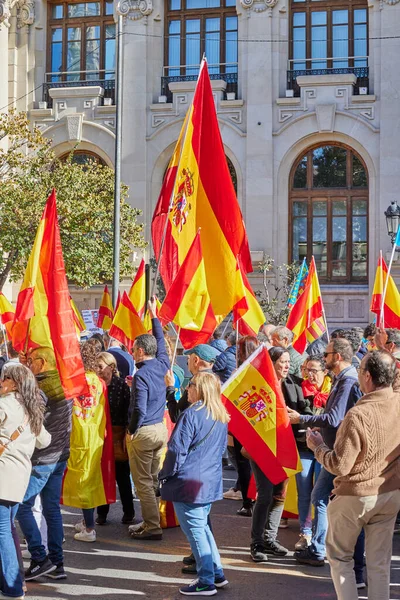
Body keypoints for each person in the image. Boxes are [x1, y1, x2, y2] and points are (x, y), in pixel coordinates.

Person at [307, 350, 400, 600]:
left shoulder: (358, 415)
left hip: (356, 496)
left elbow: (341, 465)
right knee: (380, 563)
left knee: (339, 557)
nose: (357, 375)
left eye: (360, 371)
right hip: (389, 493)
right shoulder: (397, 402)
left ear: (367, 376)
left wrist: (318, 447)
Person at [288, 338, 361, 567]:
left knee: (320, 497)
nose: (324, 358)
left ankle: (320, 549)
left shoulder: (348, 381)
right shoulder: (343, 379)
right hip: (335, 447)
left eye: (327, 354)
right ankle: (321, 547)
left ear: (337, 357)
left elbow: (334, 418)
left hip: (338, 450)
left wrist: (302, 418)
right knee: (321, 497)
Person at [159, 372, 229, 597]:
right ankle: (215, 573)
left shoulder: (192, 414)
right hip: (208, 480)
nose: (187, 389)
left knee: (196, 532)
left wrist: (164, 474)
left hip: (189, 481)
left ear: (200, 389)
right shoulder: (219, 414)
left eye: (190, 386)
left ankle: (206, 580)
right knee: (203, 529)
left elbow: (176, 451)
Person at [249, 347, 312, 563]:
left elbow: (306, 412)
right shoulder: (258, 384)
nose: (286, 366)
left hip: (286, 447)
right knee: (264, 494)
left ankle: (270, 539)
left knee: (279, 495)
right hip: (262, 446)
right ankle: (256, 543)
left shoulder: (294, 384)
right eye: (282, 362)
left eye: (288, 362)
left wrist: (300, 415)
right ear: (271, 362)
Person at [18, 346, 73, 582]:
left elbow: (33, 421)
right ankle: (57, 563)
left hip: (43, 459)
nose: (29, 364)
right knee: (52, 510)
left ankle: (41, 559)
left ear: (41, 363)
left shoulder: (40, 390)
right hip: (60, 456)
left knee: (21, 506)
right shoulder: (67, 383)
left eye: (31, 361)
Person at [0, 363, 51, 599]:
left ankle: (11, 588)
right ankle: (15, 583)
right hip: (19, 478)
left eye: (4, 378)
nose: (1, 382)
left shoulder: (4, 404)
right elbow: (45, 441)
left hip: (3, 475)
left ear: (13, 382)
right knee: (7, 530)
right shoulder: (31, 409)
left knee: (3, 533)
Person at [126, 298, 170, 540]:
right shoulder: (162, 363)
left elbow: (139, 410)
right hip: (159, 430)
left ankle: (152, 526)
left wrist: (131, 431)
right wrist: (154, 315)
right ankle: (152, 521)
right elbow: (161, 342)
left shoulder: (141, 375)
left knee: (143, 483)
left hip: (143, 432)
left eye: (133, 349)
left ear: (140, 351)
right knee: (152, 480)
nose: (132, 352)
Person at [69, 341, 115, 543]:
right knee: (91, 480)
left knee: (84, 482)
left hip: (78, 436)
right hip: (95, 436)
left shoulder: (74, 382)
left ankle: (89, 528)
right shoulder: (99, 383)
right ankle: (87, 520)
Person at [295, 355, 331, 550]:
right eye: (307, 369)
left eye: (314, 370)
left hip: (324, 448)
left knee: (321, 493)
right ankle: (305, 532)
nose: (310, 374)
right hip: (303, 447)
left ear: (325, 372)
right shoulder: (299, 389)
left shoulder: (333, 390)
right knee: (304, 490)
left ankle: (320, 534)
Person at [95, 352, 134, 526]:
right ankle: (102, 512)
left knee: (122, 475)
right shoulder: (95, 385)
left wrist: (127, 432)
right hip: (99, 435)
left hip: (117, 434)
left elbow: (129, 409)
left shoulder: (121, 385)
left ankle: (129, 512)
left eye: (101, 367)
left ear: (111, 368)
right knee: (102, 475)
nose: (98, 370)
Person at [166, 344, 220, 424]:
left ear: (195, 360)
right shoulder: (216, 381)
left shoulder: (195, 385)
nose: (187, 362)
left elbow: (176, 416)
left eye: (188, 358)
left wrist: (170, 387)